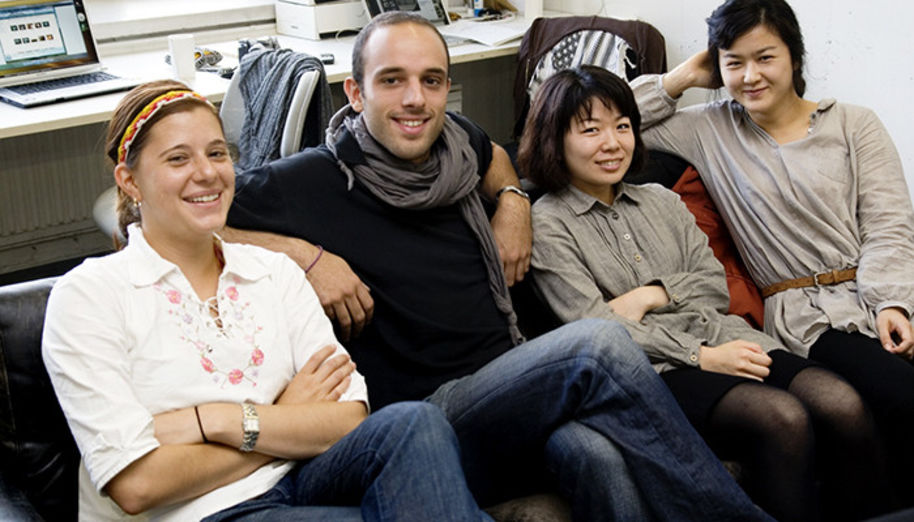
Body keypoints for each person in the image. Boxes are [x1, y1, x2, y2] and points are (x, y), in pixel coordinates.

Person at [227, 11, 774, 521]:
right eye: (392, 80)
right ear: (355, 91)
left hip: (509, 388)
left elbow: (494, 154)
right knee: (599, 343)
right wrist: (306, 256)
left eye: (431, 81)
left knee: (594, 455)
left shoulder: (457, 143)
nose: (415, 99)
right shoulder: (310, 181)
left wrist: (513, 202)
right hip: (422, 418)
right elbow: (189, 221)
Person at [41, 80, 490, 521]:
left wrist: (216, 421)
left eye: (217, 153)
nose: (207, 172)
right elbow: (138, 485)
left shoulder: (273, 272)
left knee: (414, 423)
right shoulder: (88, 296)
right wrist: (283, 419)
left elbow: (348, 417)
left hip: (305, 479)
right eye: (178, 158)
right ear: (130, 182)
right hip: (201, 512)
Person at [523, 65, 887, 521]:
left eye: (622, 126)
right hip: (651, 370)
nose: (612, 143)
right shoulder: (549, 223)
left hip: (725, 335)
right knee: (782, 417)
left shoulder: (662, 200)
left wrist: (652, 295)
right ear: (555, 140)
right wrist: (700, 357)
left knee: (841, 402)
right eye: (591, 130)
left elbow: (713, 285)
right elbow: (594, 330)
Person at [630, 0, 914, 514]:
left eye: (765, 57)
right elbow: (612, 121)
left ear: (794, 57)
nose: (750, 76)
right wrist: (682, 77)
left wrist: (891, 301)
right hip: (806, 318)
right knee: (901, 392)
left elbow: (889, 224)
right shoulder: (709, 129)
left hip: (882, 292)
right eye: (734, 62)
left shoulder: (854, 124)